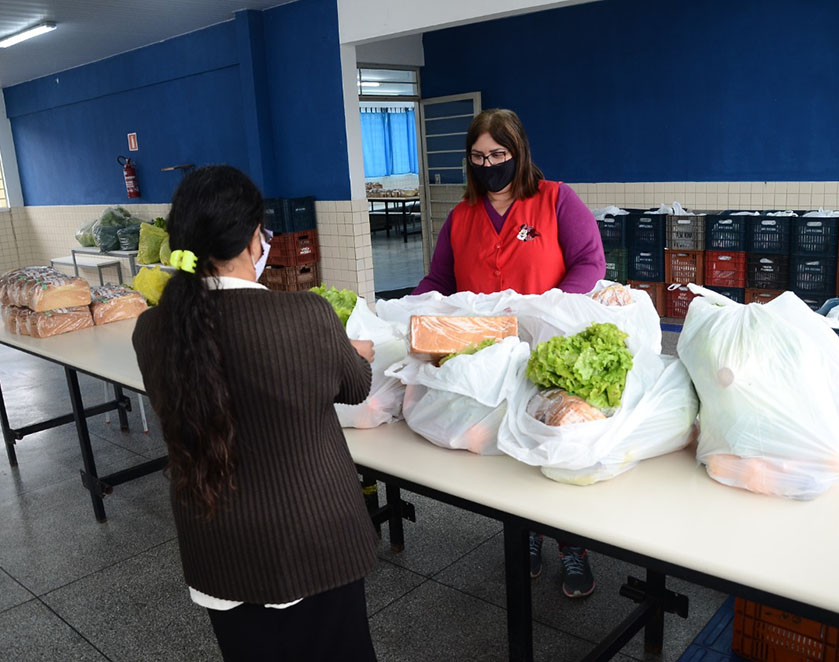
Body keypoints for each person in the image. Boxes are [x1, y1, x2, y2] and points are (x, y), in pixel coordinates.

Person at [132, 165, 379, 660]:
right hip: (313, 539)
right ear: (252, 240)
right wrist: (356, 352)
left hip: (217, 543)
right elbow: (355, 387)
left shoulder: (154, 329)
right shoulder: (306, 314)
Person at [413, 108, 605, 598]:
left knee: (556, 446)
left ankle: (573, 547)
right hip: (489, 360)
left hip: (548, 350)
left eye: (498, 154)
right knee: (508, 452)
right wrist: (413, 308)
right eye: (478, 157)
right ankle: (528, 538)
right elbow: (440, 280)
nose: (489, 164)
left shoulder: (556, 200)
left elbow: (589, 261)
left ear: (518, 154)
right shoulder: (461, 217)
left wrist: (553, 309)